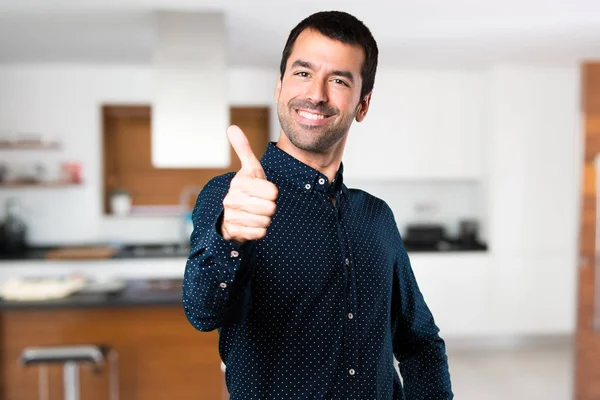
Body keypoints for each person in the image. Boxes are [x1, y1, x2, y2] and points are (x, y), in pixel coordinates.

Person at [183, 10, 453, 399]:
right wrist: (229, 236)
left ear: (363, 104)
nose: (316, 94)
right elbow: (202, 313)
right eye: (303, 73)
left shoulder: (376, 216)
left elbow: (420, 342)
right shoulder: (232, 197)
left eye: (339, 80)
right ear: (279, 86)